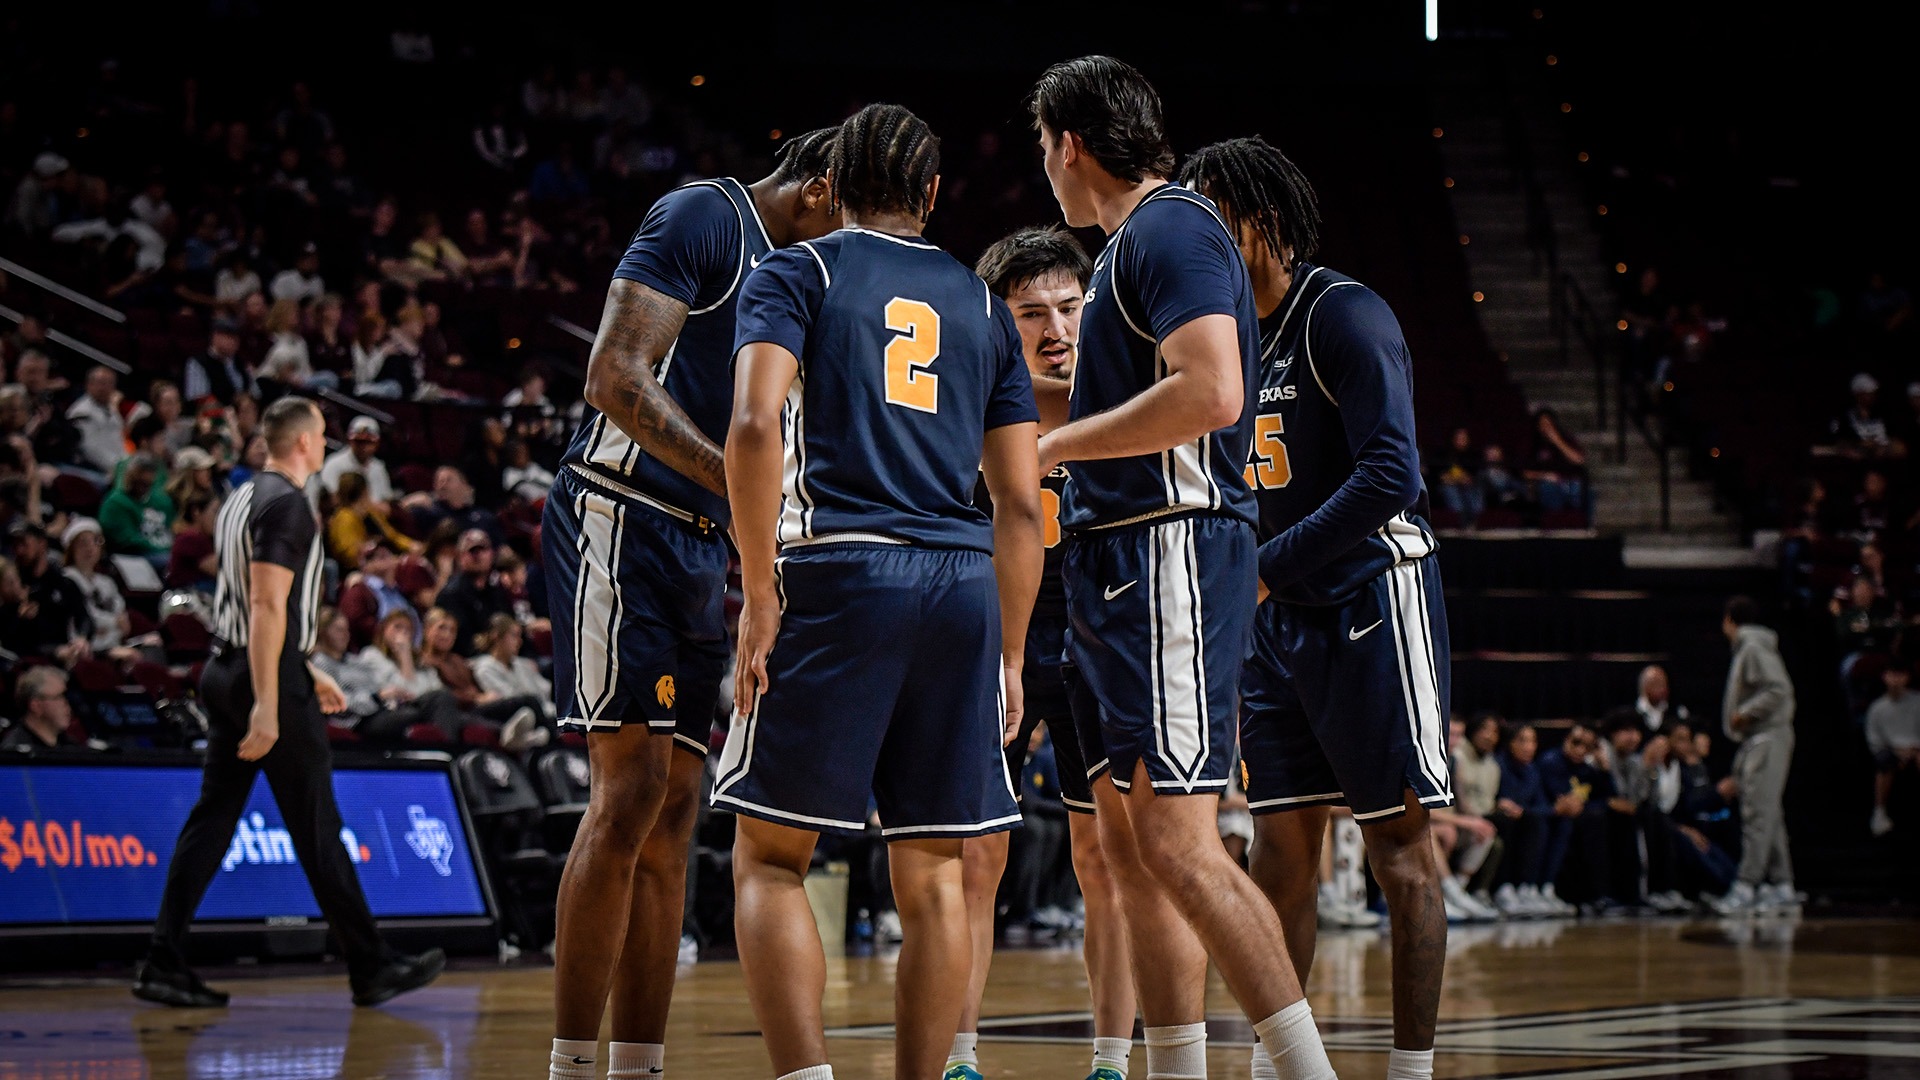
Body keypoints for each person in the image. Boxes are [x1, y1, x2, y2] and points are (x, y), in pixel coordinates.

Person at [715, 102, 1042, 1080]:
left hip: (841, 568)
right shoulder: (985, 305)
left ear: (833, 188)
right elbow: (1021, 506)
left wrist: (759, 589)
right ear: (932, 195)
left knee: (772, 858)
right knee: (936, 872)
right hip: (963, 582)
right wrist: (1013, 653)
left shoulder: (797, 271)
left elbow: (751, 423)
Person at [1028, 61, 1334, 1080]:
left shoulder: (1169, 227)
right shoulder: (1125, 248)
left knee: (1183, 845)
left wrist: (1056, 449)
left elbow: (1209, 392)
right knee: (1139, 854)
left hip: (1169, 544)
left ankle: (1304, 1069)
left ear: (1069, 143)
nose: (1044, 167)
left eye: (1042, 146)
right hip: (1119, 561)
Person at [541, 125, 841, 1080]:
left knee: (677, 806)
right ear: (822, 185)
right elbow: (613, 377)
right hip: (623, 511)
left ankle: (638, 1065)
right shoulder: (707, 214)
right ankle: (570, 1064)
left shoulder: (807, 280)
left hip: (704, 541)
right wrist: (739, 483)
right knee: (627, 790)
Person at [1182, 134, 1448, 1079]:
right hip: (1274, 621)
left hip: (1370, 597)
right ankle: (1276, 1066)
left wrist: (1262, 566)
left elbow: (1393, 474)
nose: (1203, 232)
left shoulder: (1344, 314)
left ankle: (1412, 1071)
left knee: (1400, 851)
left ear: (1265, 219)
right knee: (1279, 855)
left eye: (1216, 212)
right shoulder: (1219, 337)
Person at [134, 396, 443, 1008]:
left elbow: (257, 602)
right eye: (323, 434)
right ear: (302, 442)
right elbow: (267, 606)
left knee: (214, 819)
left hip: (227, 667)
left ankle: (161, 962)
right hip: (259, 675)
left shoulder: (239, 499)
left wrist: (304, 664)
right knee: (317, 825)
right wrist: (272, 699)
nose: (325, 443)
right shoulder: (290, 505)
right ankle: (371, 966)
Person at [952, 226, 1134, 1080]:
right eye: (1032, 314)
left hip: (1101, 646)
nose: (1057, 328)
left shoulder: (1126, 403)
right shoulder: (967, 415)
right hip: (998, 646)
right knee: (975, 854)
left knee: (1107, 859)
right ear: (999, 322)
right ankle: (958, 1055)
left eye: (1069, 307)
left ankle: (1109, 1059)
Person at [1710, 596, 1798, 915]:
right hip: (1760, 739)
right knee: (1769, 813)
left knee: (1757, 815)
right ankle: (1781, 884)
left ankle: (1747, 885)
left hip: (1766, 736)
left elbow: (1779, 689)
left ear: (1730, 620)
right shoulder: (1751, 647)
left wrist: (1744, 713)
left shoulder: (1752, 647)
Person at [98, 453, 177, 573]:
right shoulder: (115, 503)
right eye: (140, 482)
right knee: (172, 563)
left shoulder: (161, 501)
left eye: (148, 484)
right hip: (134, 557)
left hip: (163, 549)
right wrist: (163, 548)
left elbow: (174, 528)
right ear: (129, 477)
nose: (143, 488)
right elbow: (126, 542)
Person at [1868, 662, 1920, 837]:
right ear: (1884, 676)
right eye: (1892, 674)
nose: (1896, 680)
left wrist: (1913, 750)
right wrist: (1898, 751)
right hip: (1891, 751)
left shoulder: (1917, 701)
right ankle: (1879, 812)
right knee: (1883, 761)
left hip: (1915, 749)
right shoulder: (1877, 708)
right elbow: (1874, 740)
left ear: (1907, 677)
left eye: (1900, 675)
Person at [471, 613, 554, 720]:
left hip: (545, 711)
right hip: (516, 716)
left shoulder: (523, 664)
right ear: (496, 636)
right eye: (514, 635)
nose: (519, 642)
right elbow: (508, 698)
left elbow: (544, 690)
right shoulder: (485, 668)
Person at [327, 471, 416, 568]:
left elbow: (392, 536)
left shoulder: (371, 512)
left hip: (387, 557)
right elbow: (351, 557)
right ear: (364, 492)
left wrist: (411, 546)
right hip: (362, 568)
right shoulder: (344, 518)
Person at [1, 667, 89, 751]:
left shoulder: (72, 747)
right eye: (59, 697)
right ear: (36, 706)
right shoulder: (14, 753)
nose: (66, 703)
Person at [320, 416, 395, 509]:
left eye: (368, 442)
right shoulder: (334, 463)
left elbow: (386, 499)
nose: (363, 447)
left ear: (377, 443)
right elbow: (332, 500)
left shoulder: (378, 467)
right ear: (350, 440)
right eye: (359, 442)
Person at [166, 493, 222, 592]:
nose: (218, 519)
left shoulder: (207, 538)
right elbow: (221, 570)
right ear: (197, 512)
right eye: (215, 512)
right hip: (189, 597)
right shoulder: (190, 539)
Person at [1633, 664, 1691, 736]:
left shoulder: (1678, 711)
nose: (1663, 689)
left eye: (1665, 684)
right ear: (1644, 687)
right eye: (1657, 684)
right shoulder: (1632, 713)